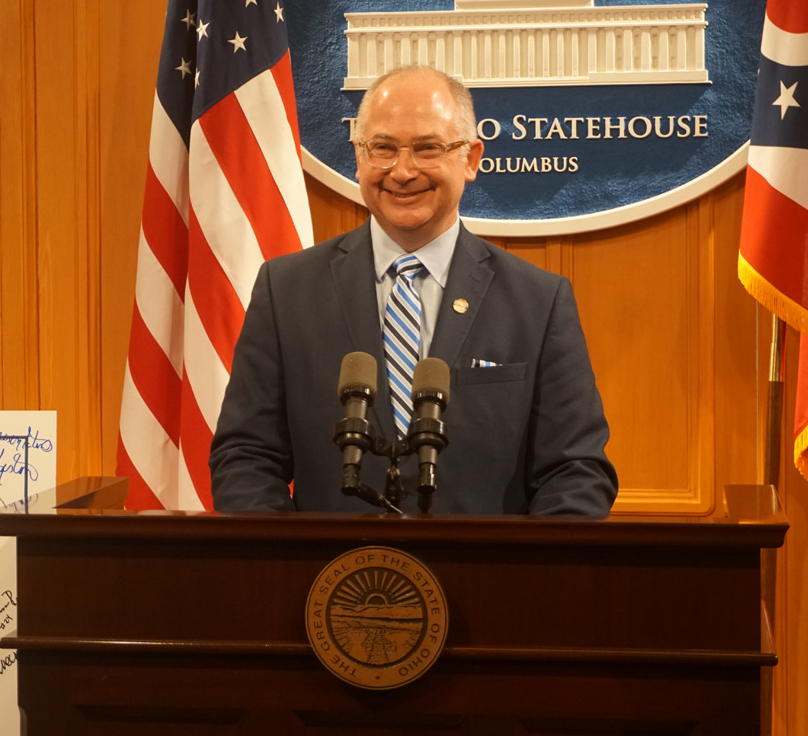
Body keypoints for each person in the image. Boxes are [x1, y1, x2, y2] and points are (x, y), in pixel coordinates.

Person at [209, 65, 617, 514]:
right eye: (382, 148)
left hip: (485, 579)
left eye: (428, 149)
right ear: (359, 155)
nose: (402, 172)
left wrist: (524, 579)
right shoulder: (285, 290)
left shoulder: (539, 302)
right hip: (329, 578)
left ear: (472, 158)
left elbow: (576, 471)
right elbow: (246, 457)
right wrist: (290, 569)